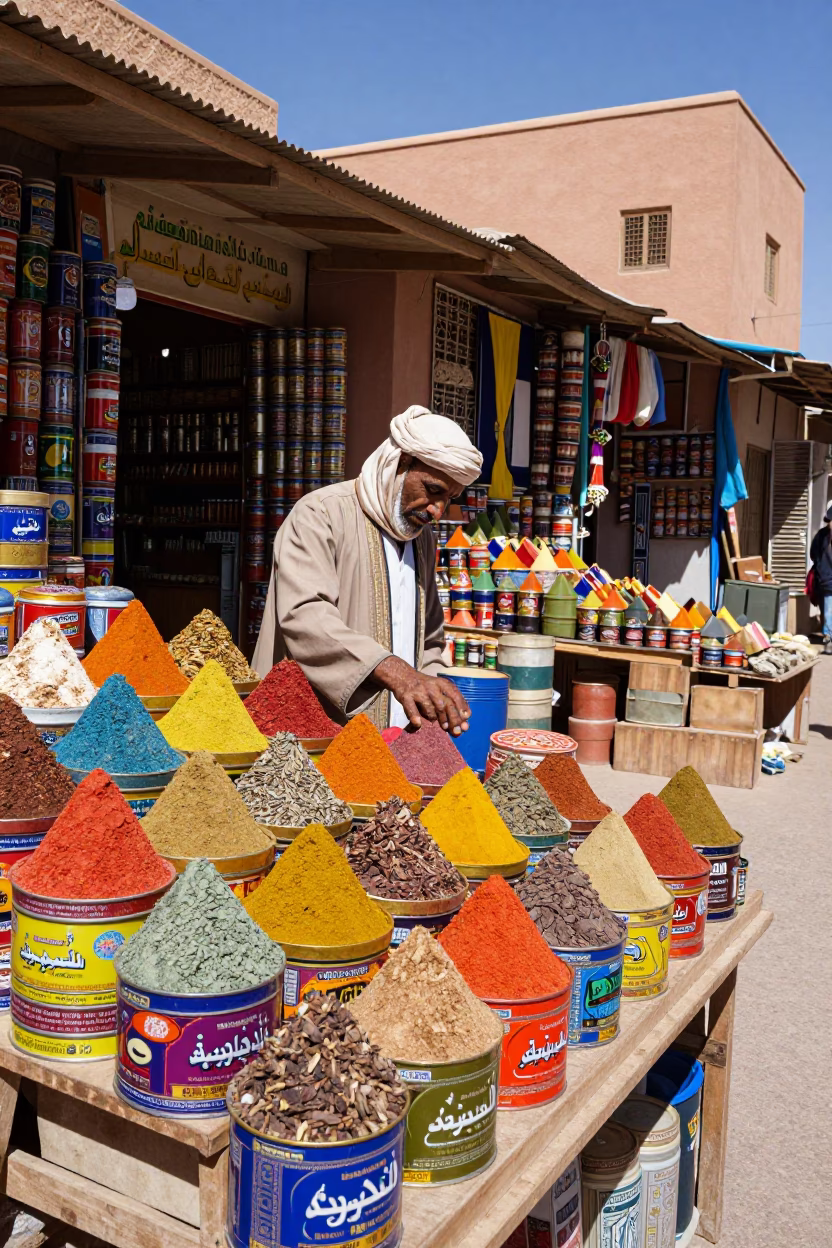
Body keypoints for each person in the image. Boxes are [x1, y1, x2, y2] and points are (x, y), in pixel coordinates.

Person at [253, 404, 483, 731]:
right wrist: (396, 672)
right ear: (400, 462)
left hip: (393, 739)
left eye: (450, 499)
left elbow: (430, 639)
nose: (437, 510)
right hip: (312, 736)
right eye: (433, 491)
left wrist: (434, 693)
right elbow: (305, 615)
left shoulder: (424, 539)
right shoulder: (321, 515)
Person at [810, 503, 832, 654]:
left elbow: (814, 554)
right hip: (826, 581)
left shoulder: (823, 535)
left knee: (829, 613)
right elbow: (814, 554)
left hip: (826, 580)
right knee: (828, 613)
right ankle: (829, 643)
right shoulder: (822, 536)